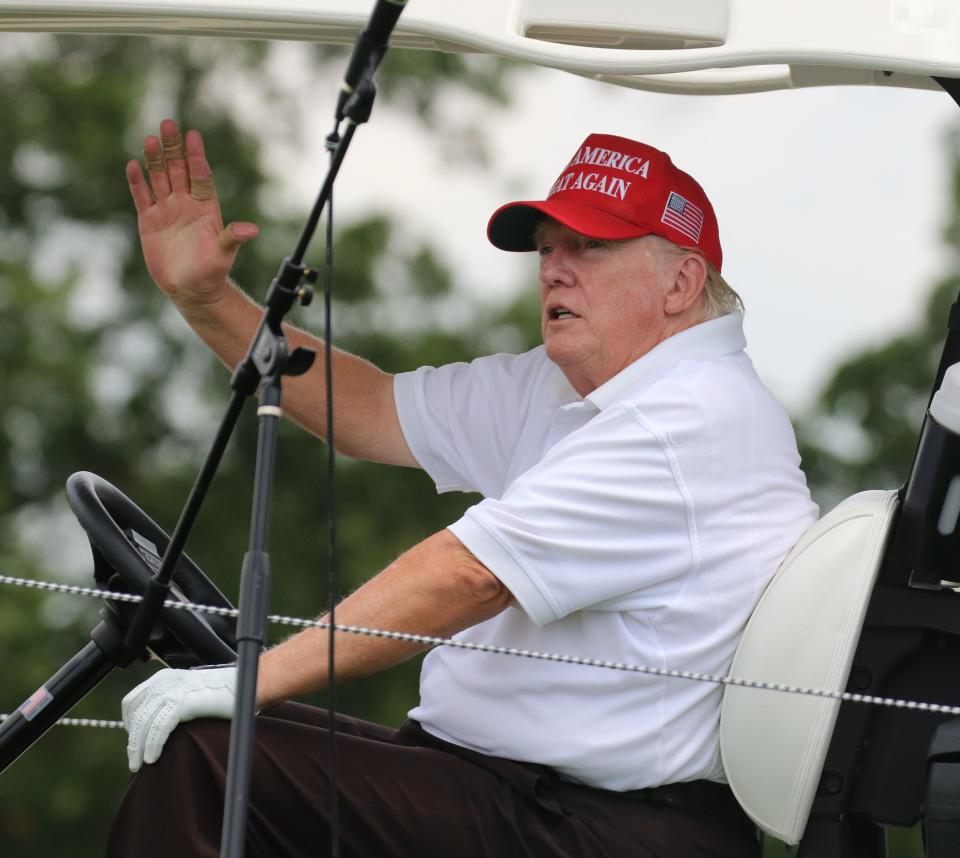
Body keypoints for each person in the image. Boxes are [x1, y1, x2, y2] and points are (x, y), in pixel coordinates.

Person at [107, 121, 818, 857]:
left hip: (605, 825)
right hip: (510, 790)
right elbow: (371, 410)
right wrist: (207, 301)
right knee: (222, 747)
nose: (554, 271)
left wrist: (251, 679)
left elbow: (469, 576)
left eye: (591, 248)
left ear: (682, 282)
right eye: (547, 251)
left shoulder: (689, 417)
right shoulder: (575, 383)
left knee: (208, 763)